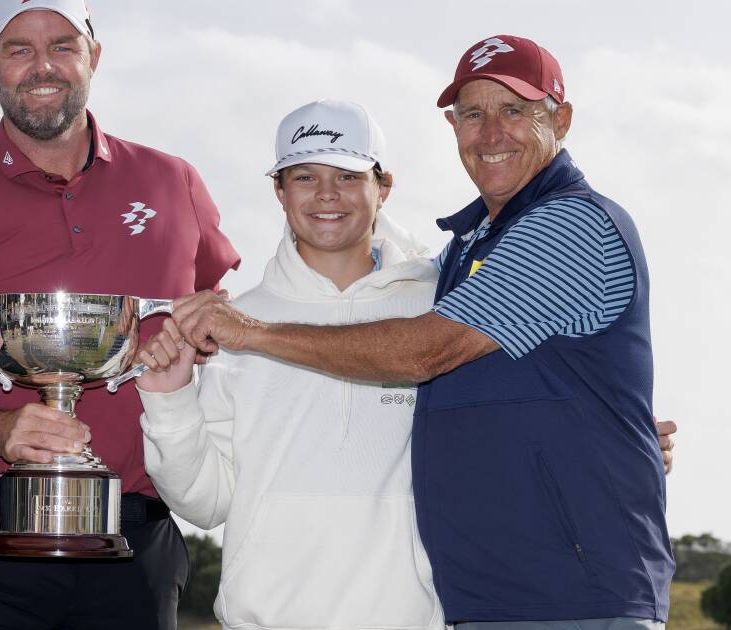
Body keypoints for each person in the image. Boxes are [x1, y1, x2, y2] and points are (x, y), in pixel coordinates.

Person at [171, 35, 675, 628]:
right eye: (472, 114)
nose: (491, 133)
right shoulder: (464, 251)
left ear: (560, 120)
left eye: (514, 110)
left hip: (580, 592)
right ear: (452, 126)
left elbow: (423, 352)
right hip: (487, 597)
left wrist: (251, 333)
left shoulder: (572, 223)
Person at [0, 1, 240, 628]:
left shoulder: (173, 183)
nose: (42, 66)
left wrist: (205, 340)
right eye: (19, 49)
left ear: (93, 57)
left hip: (135, 534)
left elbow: (215, 314)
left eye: (62, 46)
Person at [136, 100, 446, 629]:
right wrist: (169, 399)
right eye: (305, 176)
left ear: (383, 187)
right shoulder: (237, 323)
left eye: (347, 175)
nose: (327, 194)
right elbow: (206, 503)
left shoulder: (437, 310)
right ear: (279, 191)